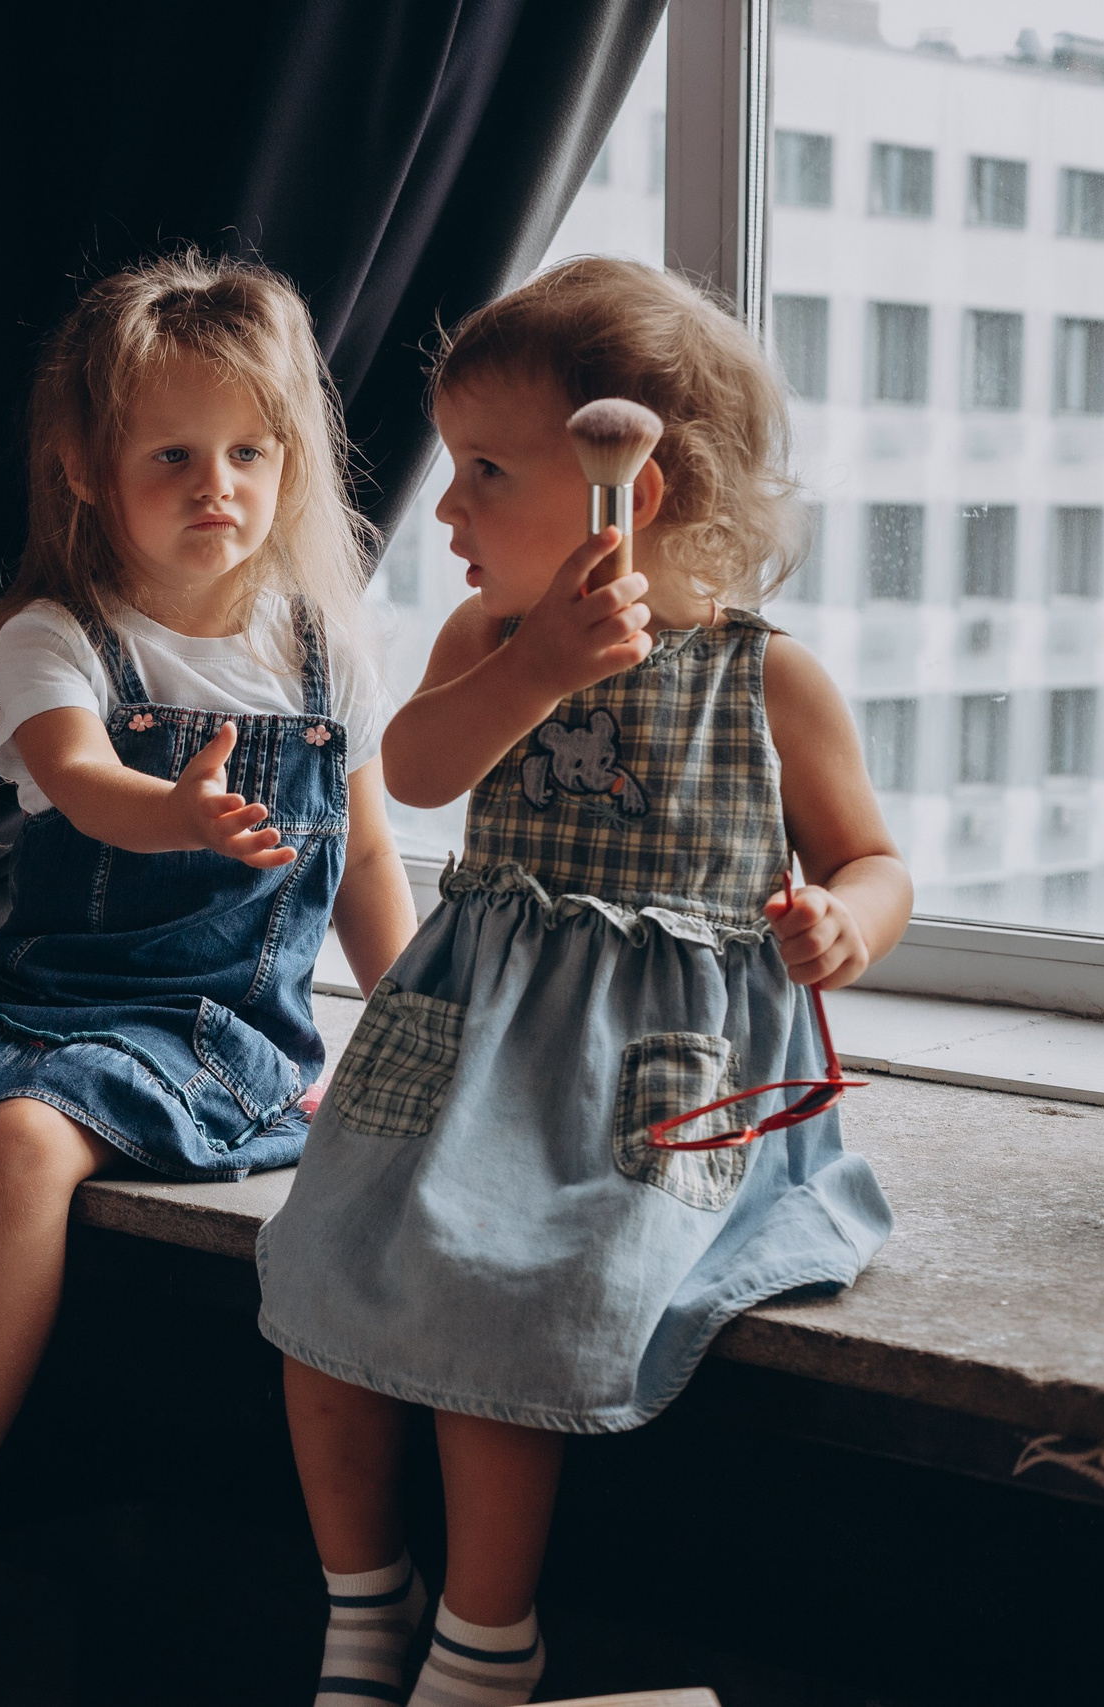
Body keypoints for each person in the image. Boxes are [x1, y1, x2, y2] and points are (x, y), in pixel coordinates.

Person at [256, 257, 904, 1707]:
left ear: (637, 489)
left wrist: (846, 925)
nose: (448, 510)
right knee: (319, 1265)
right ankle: (363, 1599)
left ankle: (489, 1637)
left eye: (485, 470)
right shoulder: (489, 640)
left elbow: (875, 859)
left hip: (652, 1082)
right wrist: (538, 670)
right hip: (468, 1047)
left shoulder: (763, 681)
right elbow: (416, 772)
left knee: (518, 1295)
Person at [0, 252, 420, 1667]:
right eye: (175, 454)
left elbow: (367, 862)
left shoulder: (323, 650)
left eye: (252, 452)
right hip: (43, 998)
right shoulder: (52, 638)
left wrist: (431, 1029)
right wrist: (174, 809)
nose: (221, 487)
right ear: (86, 466)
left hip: (213, 1032)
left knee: (22, 1147)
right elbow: (77, 781)